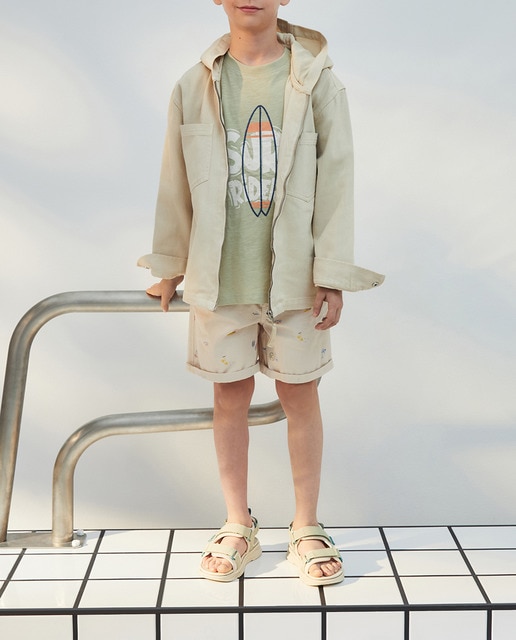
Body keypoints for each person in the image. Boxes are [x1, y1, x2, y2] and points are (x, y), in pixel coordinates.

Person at [138, 0, 384, 587]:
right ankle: (236, 524)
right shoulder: (193, 84)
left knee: (300, 395)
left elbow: (338, 178)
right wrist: (169, 264)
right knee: (230, 397)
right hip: (219, 275)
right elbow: (175, 178)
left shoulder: (318, 81)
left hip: (296, 278)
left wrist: (332, 271)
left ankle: (306, 525)